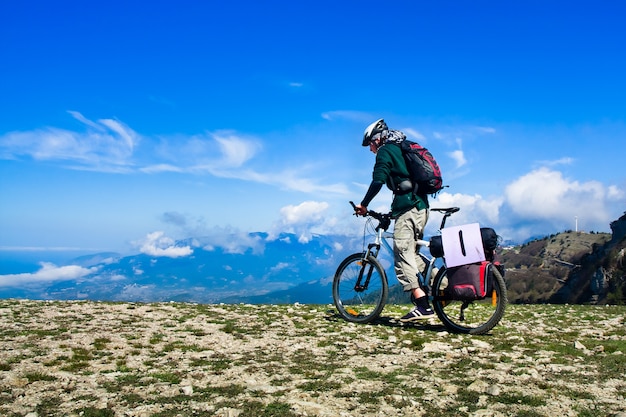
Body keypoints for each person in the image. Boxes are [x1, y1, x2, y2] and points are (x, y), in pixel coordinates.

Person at [355, 119, 435, 321]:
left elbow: (378, 180)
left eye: (370, 145)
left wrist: (363, 204)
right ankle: (443, 287)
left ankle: (423, 304)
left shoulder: (386, 151)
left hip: (409, 208)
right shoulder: (400, 147)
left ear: (377, 139)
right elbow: (403, 183)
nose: (370, 150)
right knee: (412, 254)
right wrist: (391, 214)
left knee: (400, 252)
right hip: (420, 207)